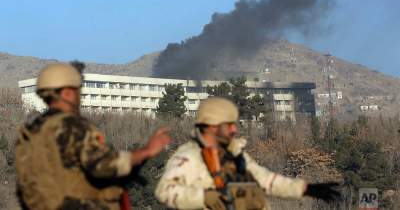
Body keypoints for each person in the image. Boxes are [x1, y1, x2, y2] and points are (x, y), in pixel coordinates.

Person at [15, 63, 171, 210]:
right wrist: (147, 151)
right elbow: (103, 165)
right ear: (67, 92)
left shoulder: (30, 132)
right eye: (78, 90)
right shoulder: (71, 126)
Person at [155, 97, 340, 210]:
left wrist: (305, 189)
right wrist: (205, 197)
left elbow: (267, 181)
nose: (235, 129)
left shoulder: (236, 155)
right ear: (211, 126)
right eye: (229, 124)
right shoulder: (189, 157)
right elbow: (164, 192)